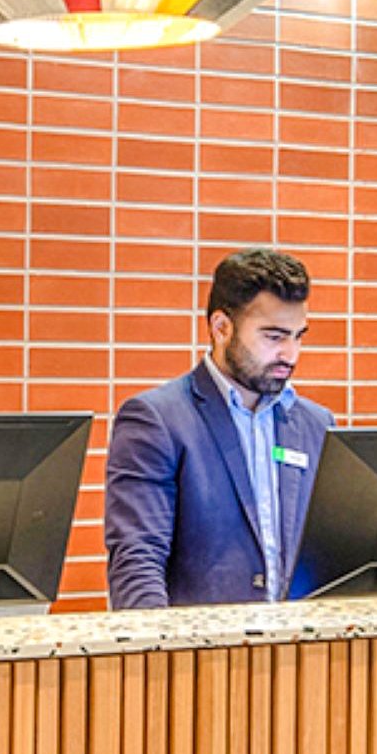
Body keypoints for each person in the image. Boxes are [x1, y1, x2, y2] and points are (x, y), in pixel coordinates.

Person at [102, 248, 334, 610]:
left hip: (300, 657)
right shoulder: (156, 420)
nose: (290, 354)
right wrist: (160, 656)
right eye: (274, 337)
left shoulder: (317, 425)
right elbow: (137, 562)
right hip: (197, 660)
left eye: (298, 336)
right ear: (221, 327)